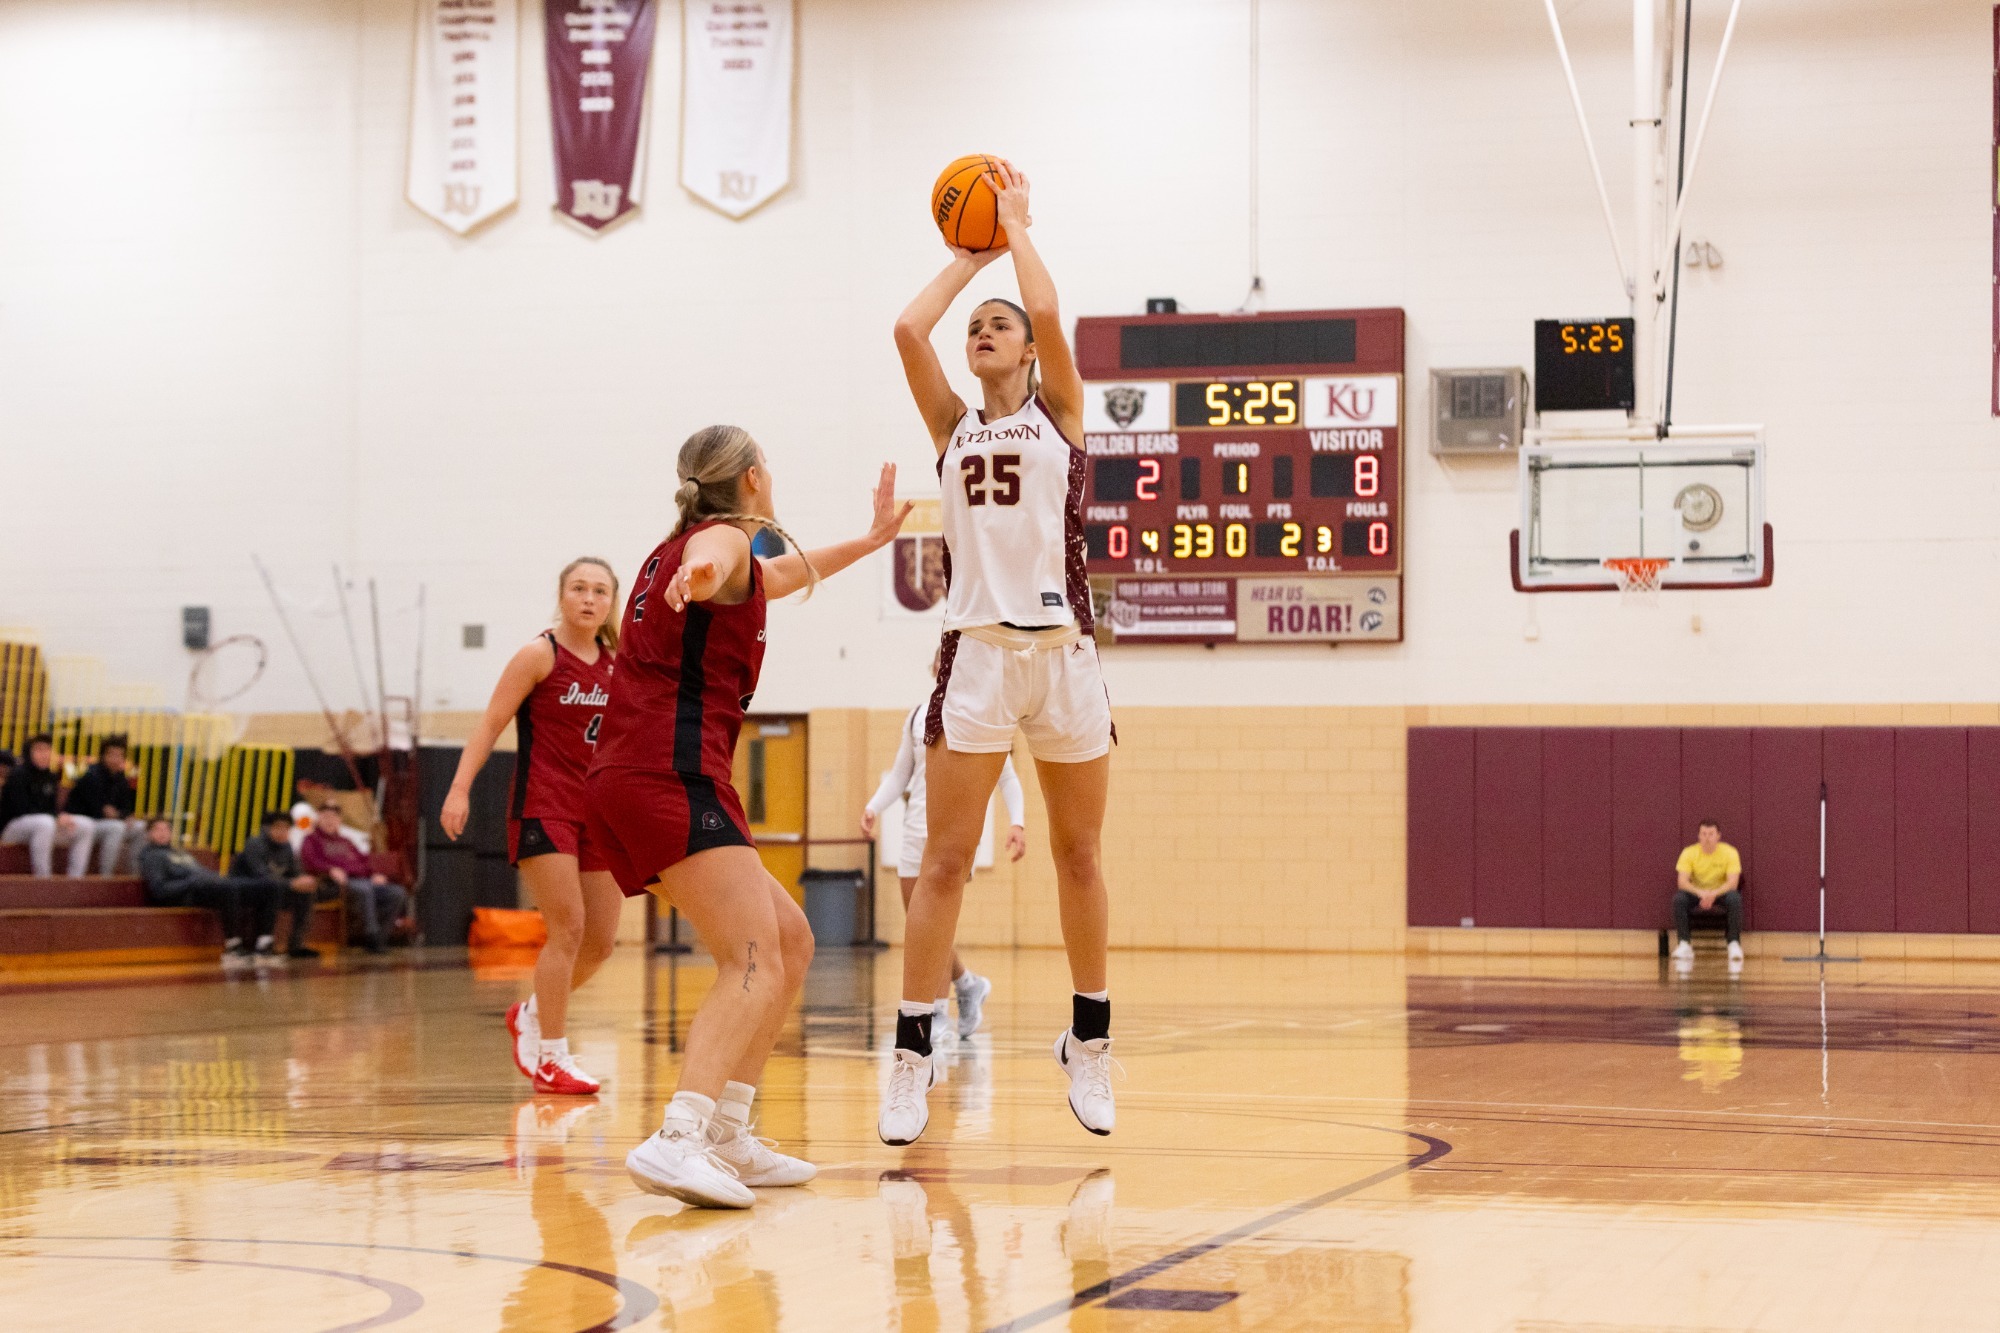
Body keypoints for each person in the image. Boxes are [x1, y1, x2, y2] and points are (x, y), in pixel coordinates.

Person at [587, 424, 910, 1209]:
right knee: (753, 956)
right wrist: (702, 572)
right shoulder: (719, 541)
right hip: (668, 774)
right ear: (754, 477)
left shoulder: (697, 553)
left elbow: (782, 572)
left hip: (651, 772)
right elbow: (721, 557)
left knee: (790, 941)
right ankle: (678, 1135)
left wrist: (871, 540)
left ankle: (727, 1131)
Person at [882, 161, 1117, 1146]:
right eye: (974, 327)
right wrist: (968, 259)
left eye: (996, 324)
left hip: (1064, 655)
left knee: (1078, 854)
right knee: (940, 861)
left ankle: (1089, 1041)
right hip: (975, 655)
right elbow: (908, 330)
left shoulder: (1057, 411)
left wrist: (1014, 228)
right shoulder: (951, 425)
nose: (981, 331)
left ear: (1025, 350)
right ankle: (911, 1053)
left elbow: (1049, 310)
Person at [442, 557, 624, 1096]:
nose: (588, 598)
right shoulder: (539, 655)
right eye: (578, 588)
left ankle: (530, 1015)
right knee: (567, 928)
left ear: (611, 602)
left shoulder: (618, 664)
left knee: (601, 942)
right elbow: (490, 725)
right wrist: (458, 788)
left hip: (599, 812)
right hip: (544, 804)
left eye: (600, 591)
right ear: (562, 596)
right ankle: (551, 1056)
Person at [860, 648, 1028, 1041]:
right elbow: (900, 775)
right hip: (913, 833)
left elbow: (1008, 778)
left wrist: (1017, 823)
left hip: (952, 837)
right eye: (942, 665)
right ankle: (968, 985)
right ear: (935, 669)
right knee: (921, 926)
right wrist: (873, 807)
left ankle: (935, 1014)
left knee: (932, 926)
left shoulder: (981, 718)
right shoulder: (917, 717)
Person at [136, 817, 289, 967]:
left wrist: (214, 879)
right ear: (148, 834)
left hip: (207, 885)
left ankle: (264, 946)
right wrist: (192, 882)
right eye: (157, 829)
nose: (162, 833)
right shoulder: (152, 856)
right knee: (229, 888)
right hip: (187, 894)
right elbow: (159, 890)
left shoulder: (180, 853)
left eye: (166, 829)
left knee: (269, 887)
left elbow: (201, 873)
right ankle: (233, 948)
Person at [300, 800, 410, 954]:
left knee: (396, 892)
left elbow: (363, 860)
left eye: (333, 817)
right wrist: (330, 869)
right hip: (333, 884)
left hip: (362, 880)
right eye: (326, 817)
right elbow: (310, 862)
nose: (330, 821)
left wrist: (373, 874)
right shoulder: (311, 840)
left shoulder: (346, 841)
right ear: (319, 818)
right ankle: (371, 935)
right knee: (364, 890)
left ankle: (381, 938)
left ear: (339, 820)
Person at [233, 809, 326, 959]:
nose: (283, 832)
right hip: (245, 891)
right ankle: (263, 944)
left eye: (287, 828)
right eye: (278, 827)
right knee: (273, 888)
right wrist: (291, 883)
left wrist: (304, 880)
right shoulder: (254, 844)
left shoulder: (286, 847)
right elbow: (260, 876)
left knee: (306, 891)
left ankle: (296, 944)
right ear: (266, 828)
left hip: (275, 890)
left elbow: (295, 872)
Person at [0, 734, 94, 878]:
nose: (44, 754)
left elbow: (51, 809)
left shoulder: (50, 777)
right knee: (45, 822)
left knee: (85, 825)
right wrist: (54, 817)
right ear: (29, 752)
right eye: (39, 750)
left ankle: (75, 880)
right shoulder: (18, 775)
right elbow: (21, 809)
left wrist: (61, 817)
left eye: (47, 750)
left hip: (43, 827)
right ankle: (43, 878)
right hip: (13, 828)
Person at [67, 735, 147, 875]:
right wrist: (120, 816)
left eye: (119, 755)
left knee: (141, 827)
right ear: (103, 756)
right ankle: (106, 876)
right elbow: (100, 810)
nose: (116, 759)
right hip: (87, 823)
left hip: (109, 822)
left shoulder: (121, 779)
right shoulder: (91, 776)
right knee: (116, 828)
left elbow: (126, 808)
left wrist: (124, 816)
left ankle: (134, 874)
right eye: (112, 755)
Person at [1672, 818, 1745, 972]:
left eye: (1711, 834)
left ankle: (1733, 943)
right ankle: (1684, 943)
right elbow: (1682, 882)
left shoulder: (1730, 852)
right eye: (1703, 834)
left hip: (1720, 892)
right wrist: (1700, 893)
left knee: (1735, 898)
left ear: (1718, 836)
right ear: (1698, 836)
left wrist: (1713, 894)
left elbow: (1733, 883)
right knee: (1679, 899)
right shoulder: (1689, 852)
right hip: (1697, 892)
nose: (1707, 838)